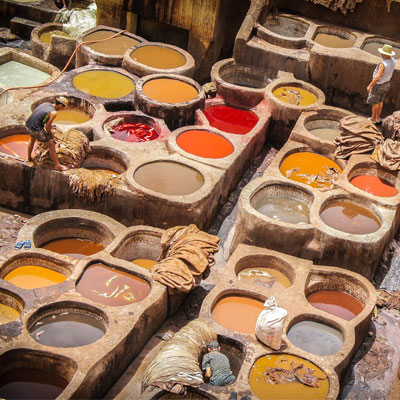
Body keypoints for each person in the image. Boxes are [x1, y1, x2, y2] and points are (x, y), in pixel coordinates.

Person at [26, 96, 69, 171]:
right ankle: (57, 165)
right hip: (36, 129)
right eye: (63, 107)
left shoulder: (46, 104)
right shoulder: (54, 113)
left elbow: (40, 116)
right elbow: (48, 127)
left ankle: (29, 158)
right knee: (51, 145)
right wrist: (52, 136)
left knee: (32, 139)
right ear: (60, 105)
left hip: (28, 125)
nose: (62, 109)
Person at [367, 44, 396, 124]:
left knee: (375, 102)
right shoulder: (393, 60)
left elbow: (377, 77)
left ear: (386, 54)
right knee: (380, 101)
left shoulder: (383, 64)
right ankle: (377, 118)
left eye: (383, 53)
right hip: (386, 84)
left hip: (379, 85)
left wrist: (370, 85)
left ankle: (373, 118)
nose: (381, 54)